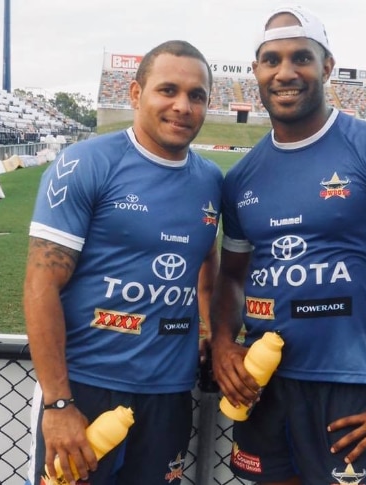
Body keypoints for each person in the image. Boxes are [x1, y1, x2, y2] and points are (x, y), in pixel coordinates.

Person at [209, 6, 366, 485]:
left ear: (327, 67)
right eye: (271, 60)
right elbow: (232, 278)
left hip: (345, 393)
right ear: (256, 73)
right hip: (263, 388)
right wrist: (224, 344)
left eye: (301, 58)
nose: (286, 72)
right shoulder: (241, 176)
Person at [23, 39, 222, 485]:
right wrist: (58, 404)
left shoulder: (210, 180)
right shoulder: (86, 163)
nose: (182, 106)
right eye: (167, 90)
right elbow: (41, 286)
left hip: (169, 394)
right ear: (135, 94)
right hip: (85, 389)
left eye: (196, 95)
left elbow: (208, 268)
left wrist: (209, 330)